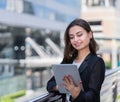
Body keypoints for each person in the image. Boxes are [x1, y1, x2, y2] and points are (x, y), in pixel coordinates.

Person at [46, 18, 105, 102]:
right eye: (72, 37)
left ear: (90, 34)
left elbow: (93, 97)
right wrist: (61, 87)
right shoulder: (68, 60)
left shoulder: (97, 62)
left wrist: (76, 94)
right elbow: (50, 84)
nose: (76, 40)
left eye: (79, 35)